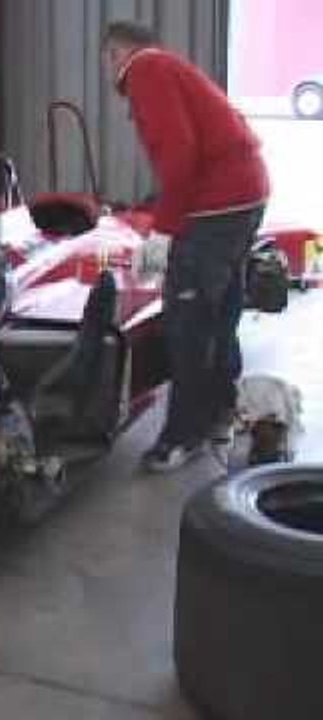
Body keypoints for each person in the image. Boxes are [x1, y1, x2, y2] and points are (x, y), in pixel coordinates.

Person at [102, 21, 270, 473]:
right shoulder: (171, 68)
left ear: (116, 54)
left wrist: (164, 231)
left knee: (188, 319)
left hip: (217, 206)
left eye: (107, 60)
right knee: (221, 308)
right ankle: (220, 409)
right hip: (245, 196)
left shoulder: (146, 70)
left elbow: (179, 154)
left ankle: (183, 434)